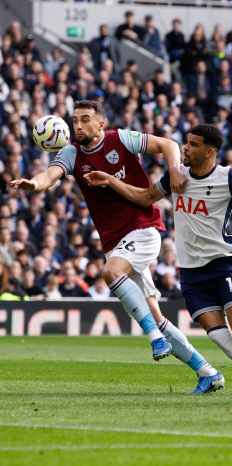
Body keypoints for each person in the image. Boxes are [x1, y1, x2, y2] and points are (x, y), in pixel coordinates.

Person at [10, 100, 218, 394]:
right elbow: (49, 176)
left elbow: (169, 143)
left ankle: (154, 339)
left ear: (100, 124)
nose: (78, 126)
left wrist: (173, 169)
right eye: (74, 120)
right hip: (114, 241)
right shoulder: (71, 153)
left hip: (143, 228)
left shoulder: (121, 139)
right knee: (156, 317)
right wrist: (34, 183)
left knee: (111, 272)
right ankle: (207, 371)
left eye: (84, 119)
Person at [85, 124, 232, 391]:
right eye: (186, 142)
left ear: (209, 152)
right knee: (220, 337)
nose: (185, 147)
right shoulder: (176, 176)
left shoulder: (228, 177)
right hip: (191, 273)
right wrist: (111, 180)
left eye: (193, 144)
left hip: (222, 264)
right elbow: (145, 198)